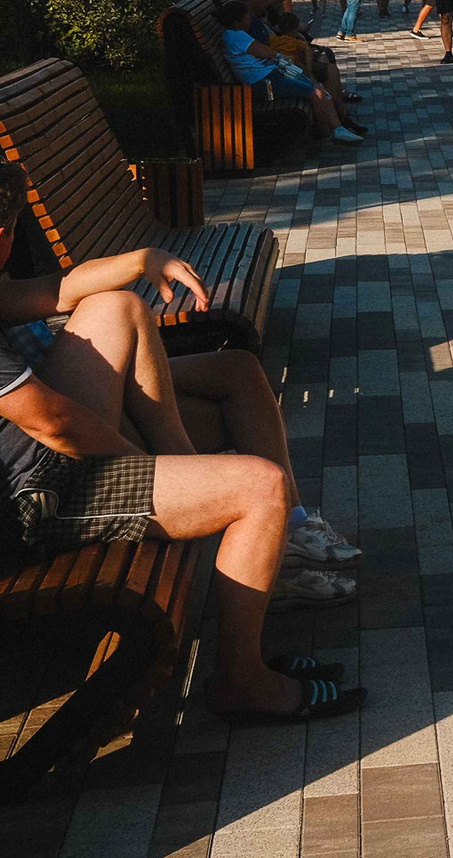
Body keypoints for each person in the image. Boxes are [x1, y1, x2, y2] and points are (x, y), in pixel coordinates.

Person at [0, 173, 362, 720]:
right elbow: (52, 423)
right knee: (258, 486)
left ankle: (276, 543)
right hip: (40, 494)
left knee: (125, 311)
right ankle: (244, 681)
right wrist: (147, 465)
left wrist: (144, 258)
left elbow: (58, 290)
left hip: (48, 457)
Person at [219, 0, 363, 144]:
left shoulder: (230, 35)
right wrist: (277, 55)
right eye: (247, 18)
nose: (250, 21)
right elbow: (267, 52)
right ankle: (328, 134)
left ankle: (337, 129)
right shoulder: (236, 36)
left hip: (267, 78)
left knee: (317, 88)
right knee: (317, 93)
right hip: (264, 83)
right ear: (237, 21)